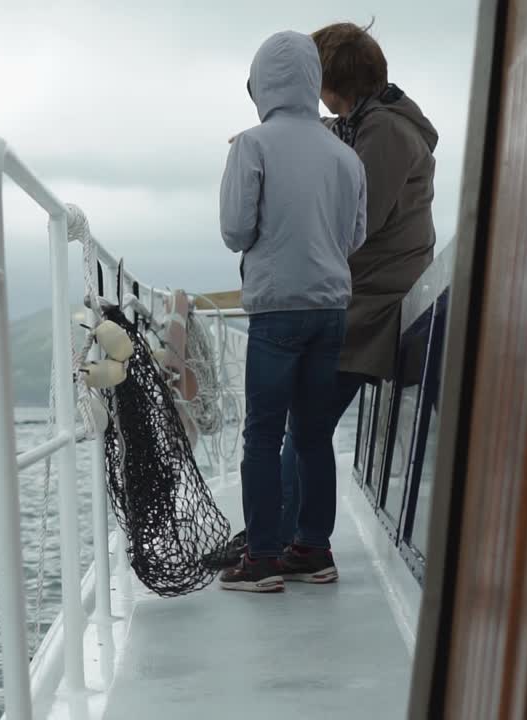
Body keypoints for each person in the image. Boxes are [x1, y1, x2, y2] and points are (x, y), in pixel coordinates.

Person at [210, 22, 439, 580]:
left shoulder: (383, 135)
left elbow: (348, 230)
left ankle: (272, 541)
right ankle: (299, 539)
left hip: (368, 304)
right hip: (344, 299)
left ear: (333, 83)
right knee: (307, 431)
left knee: (284, 431)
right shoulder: (362, 128)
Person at [216, 30, 366, 592]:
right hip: (331, 308)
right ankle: (314, 549)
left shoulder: (252, 146)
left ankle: (260, 558)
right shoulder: (345, 154)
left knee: (261, 435)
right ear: (310, 80)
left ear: (261, 84)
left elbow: (235, 231)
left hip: (277, 309)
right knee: (311, 435)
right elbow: (356, 235)